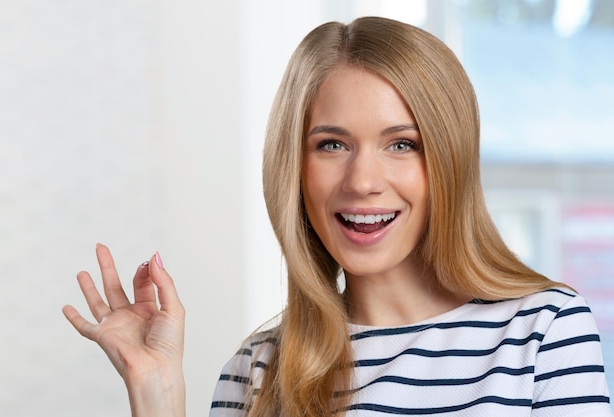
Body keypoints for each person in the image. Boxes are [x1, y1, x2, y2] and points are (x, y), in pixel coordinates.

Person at [63, 16, 613, 417]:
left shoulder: (542, 332)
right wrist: (156, 390)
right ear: (294, 167)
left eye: (402, 145)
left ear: (449, 159)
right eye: (331, 145)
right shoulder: (256, 371)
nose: (363, 181)